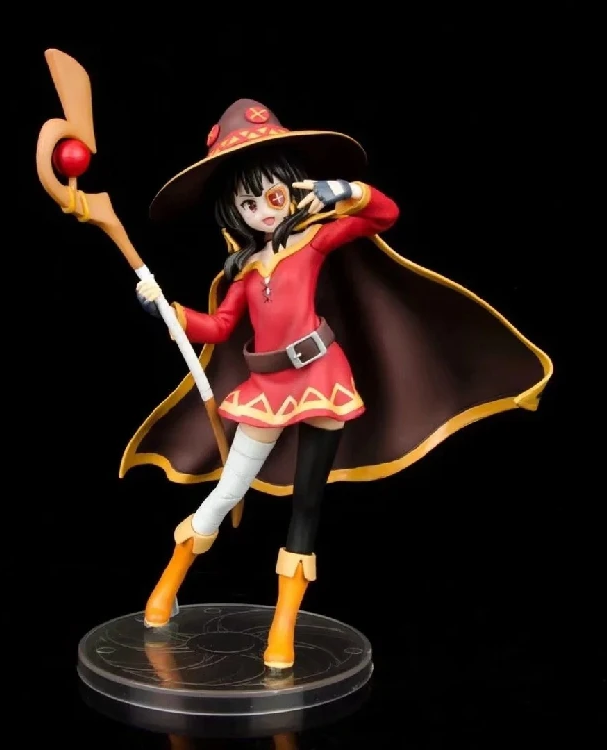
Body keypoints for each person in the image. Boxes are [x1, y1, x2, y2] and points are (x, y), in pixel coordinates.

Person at [123, 99, 552, 670]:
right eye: (248, 204)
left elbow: (385, 214)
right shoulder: (245, 272)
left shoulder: (315, 241)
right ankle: (165, 589)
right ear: (233, 212)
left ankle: (282, 629)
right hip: (265, 388)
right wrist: (169, 311)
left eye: (273, 196)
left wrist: (342, 191)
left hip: (321, 378)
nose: (262, 211)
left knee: (307, 504)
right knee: (228, 490)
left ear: (293, 190)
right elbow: (220, 327)